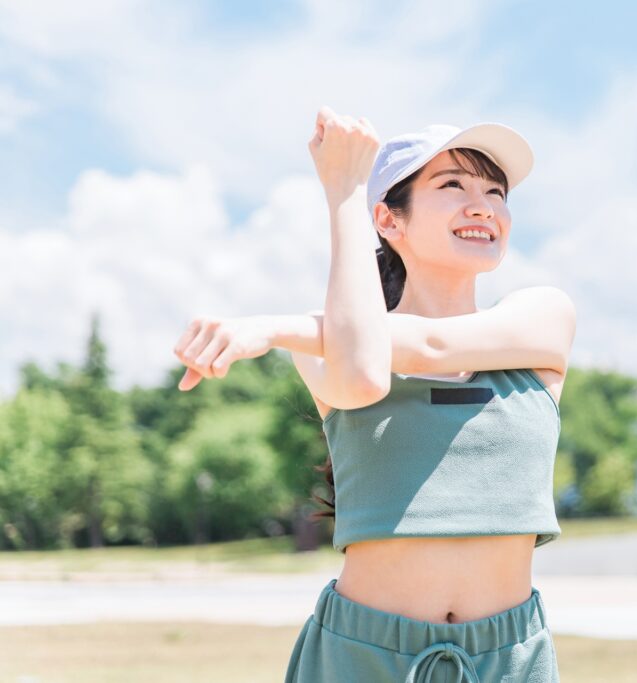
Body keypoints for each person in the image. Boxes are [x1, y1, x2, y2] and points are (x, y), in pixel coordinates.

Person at [172, 108, 576, 681]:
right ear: (388, 220)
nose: (484, 204)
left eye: (495, 190)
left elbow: (431, 346)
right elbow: (364, 373)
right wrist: (344, 192)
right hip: (362, 656)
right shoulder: (324, 347)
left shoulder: (543, 316)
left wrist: (273, 325)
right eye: (452, 185)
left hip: (507, 657)